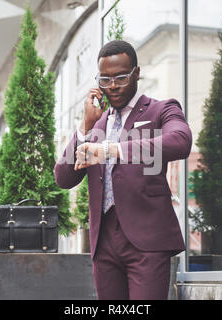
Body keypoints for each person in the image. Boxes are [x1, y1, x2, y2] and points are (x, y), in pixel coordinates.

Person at [54, 40, 192, 300]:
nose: (113, 86)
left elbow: (181, 142)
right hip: (104, 241)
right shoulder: (97, 122)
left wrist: (112, 150)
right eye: (105, 80)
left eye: (121, 77)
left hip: (147, 242)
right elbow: (63, 177)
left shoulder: (161, 110)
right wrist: (85, 126)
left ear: (137, 73)